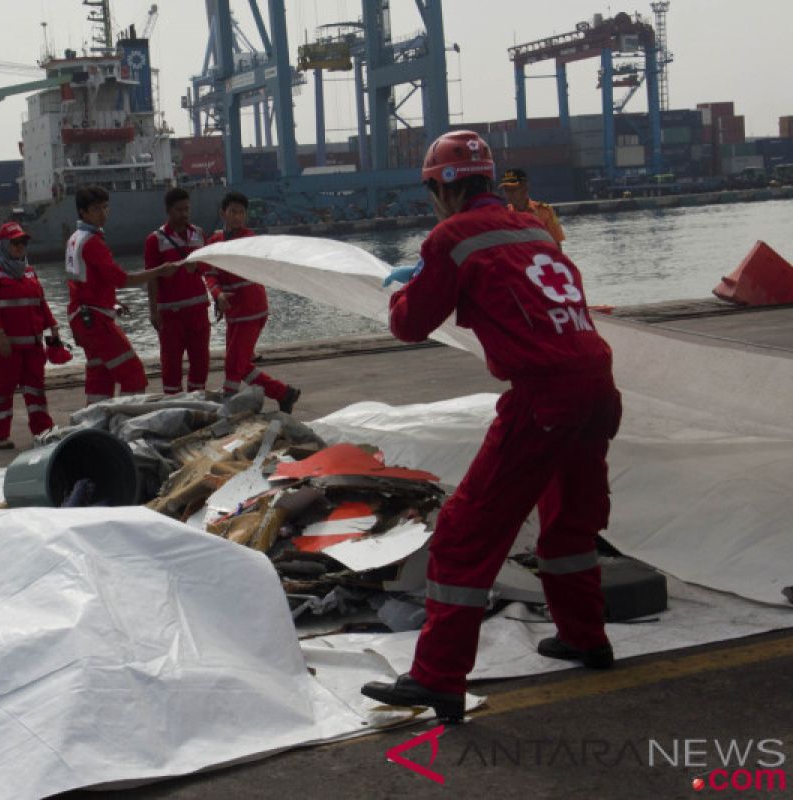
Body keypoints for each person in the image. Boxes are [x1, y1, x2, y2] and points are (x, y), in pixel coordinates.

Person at [362, 131, 622, 722]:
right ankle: (586, 637)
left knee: (465, 531)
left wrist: (407, 287)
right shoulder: (531, 227)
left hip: (544, 397)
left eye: (430, 191)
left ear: (441, 187)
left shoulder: (451, 236)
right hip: (597, 386)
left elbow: (411, 326)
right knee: (569, 521)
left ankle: (437, 679)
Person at [65, 185, 179, 405]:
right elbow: (122, 279)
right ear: (83, 212)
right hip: (97, 321)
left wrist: (112, 302)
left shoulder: (75, 239)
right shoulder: (93, 244)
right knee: (133, 375)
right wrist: (159, 270)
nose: (103, 213)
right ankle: (126, 426)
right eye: (96, 209)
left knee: (100, 376)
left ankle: (94, 427)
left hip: (83, 318)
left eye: (105, 207)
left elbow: (82, 281)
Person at [204, 191, 300, 414]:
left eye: (241, 213)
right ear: (223, 213)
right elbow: (209, 274)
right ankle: (284, 393)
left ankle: (228, 408)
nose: (238, 217)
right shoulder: (215, 242)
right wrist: (218, 295)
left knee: (233, 364)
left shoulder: (249, 240)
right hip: (233, 312)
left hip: (252, 311)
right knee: (241, 364)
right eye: (233, 212)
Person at [0, 221, 60, 450]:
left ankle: (43, 431)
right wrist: (1, 335)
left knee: (36, 389)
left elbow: (40, 303)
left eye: (23, 242)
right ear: (3, 245)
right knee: (3, 391)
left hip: (32, 346)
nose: (20, 247)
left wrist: (53, 326)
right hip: (4, 347)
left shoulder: (29, 271)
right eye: (15, 243)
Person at [144, 187, 211, 395]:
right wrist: (153, 310)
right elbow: (151, 277)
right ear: (168, 210)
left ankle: (197, 400)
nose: (184, 214)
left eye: (187, 209)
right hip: (170, 314)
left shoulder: (198, 234)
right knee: (171, 364)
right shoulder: (155, 240)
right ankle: (173, 403)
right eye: (179, 210)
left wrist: (198, 267)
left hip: (198, 310)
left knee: (201, 362)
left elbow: (208, 265)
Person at [500, 167, 566, 249]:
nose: (510, 194)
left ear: (525, 187)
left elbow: (557, 246)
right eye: (506, 190)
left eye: (513, 189)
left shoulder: (545, 211)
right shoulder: (503, 215)